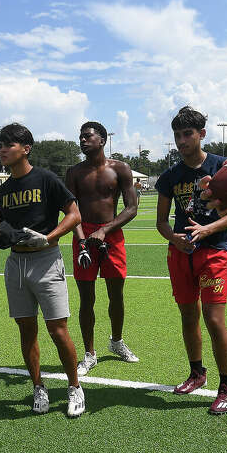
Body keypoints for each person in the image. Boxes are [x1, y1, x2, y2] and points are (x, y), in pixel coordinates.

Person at [0, 122, 85, 417]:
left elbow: (74, 214)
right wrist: (1, 235)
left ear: (26, 149)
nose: (2, 150)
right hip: (16, 264)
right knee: (26, 331)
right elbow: (1, 225)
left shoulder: (45, 179)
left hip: (46, 259)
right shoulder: (4, 190)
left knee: (58, 329)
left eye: (8, 145)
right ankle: (38, 387)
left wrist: (49, 237)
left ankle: (74, 388)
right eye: (0, 145)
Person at [154, 106, 227, 415]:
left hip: (214, 251)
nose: (181, 141)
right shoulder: (170, 176)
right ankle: (197, 373)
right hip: (181, 254)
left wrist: (209, 229)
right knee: (189, 316)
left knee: (214, 320)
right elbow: (162, 222)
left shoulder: (222, 167)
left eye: (187, 134)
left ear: (202, 134)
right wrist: (174, 238)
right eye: (177, 135)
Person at [65, 121, 140, 375]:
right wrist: (82, 238)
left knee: (116, 294)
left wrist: (105, 230)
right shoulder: (74, 172)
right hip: (83, 236)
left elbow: (131, 208)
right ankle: (89, 353)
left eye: (88, 136)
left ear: (102, 140)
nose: (83, 140)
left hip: (111, 234)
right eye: (81, 137)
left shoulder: (120, 168)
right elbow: (70, 210)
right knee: (86, 298)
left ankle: (116, 341)